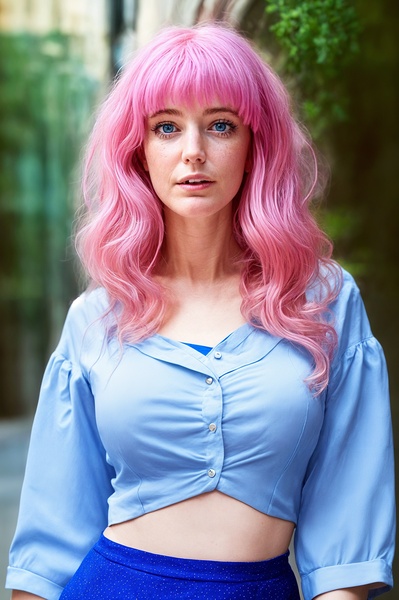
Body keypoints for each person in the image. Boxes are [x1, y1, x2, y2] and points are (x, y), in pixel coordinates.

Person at [6, 23, 395, 600]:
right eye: (166, 127)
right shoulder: (96, 318)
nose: (193, 152)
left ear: (254, 143)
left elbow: (348, 538)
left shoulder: (325, 303)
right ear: (138, 151)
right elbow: (46, 553)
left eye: (220, 125)